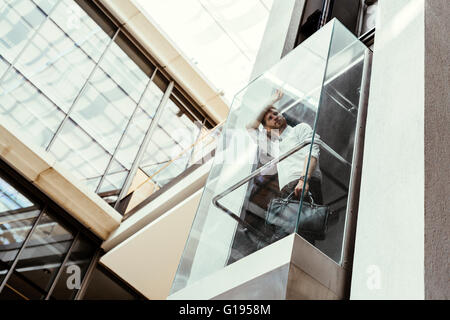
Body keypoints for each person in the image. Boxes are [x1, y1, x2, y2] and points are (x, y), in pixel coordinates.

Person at [247, 90, 323, 244]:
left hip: (303, 182)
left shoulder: (300, 129)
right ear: (267, 128)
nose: (275, 116)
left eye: (276, 113)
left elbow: (312, 152)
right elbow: (250, 127)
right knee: (287, 235)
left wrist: (304, 179)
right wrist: (270, 101)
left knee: (301, 232)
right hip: (286, 191)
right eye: (270, 117)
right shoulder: (272, 146)